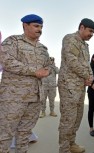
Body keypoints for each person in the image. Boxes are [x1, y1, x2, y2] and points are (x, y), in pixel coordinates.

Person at [0, 14, 50, 153]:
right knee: (4, 134)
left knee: (24, 134)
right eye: (36, 26)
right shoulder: (12, 41)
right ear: (25, 25)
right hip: (13, 98)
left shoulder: (43, 49)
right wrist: (34, 71)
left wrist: (47, 70)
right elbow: (6, 61)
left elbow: (48, 67)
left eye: (41, 27)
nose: (39, 29)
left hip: (35, 98)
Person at [58, 18, 94, 153]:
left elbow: (86, 64)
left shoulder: (85, 46)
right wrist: (87, 76)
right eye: (90, 31)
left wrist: (90, 77)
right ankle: (64, 149)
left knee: (77, 118)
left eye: (93, 32)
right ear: (81, 27)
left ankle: (71, 144)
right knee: (68, 119)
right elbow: (72, 61)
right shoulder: (70, 39)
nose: (91, 34)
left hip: (80, 86)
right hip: (69, 86)